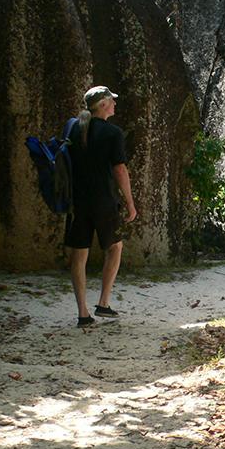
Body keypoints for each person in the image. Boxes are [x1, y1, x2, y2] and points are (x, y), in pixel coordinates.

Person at [65, 86, 137, 327]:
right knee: (115, 248)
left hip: (79, 201)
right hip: (104, 201)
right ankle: (103, 303)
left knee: (79, 255)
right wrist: (130, 203)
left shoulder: (75, 127)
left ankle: (83, 313)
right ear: (104, 104)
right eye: (112, 101)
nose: (115, 105)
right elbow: (119, 169)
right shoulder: (112, 133)